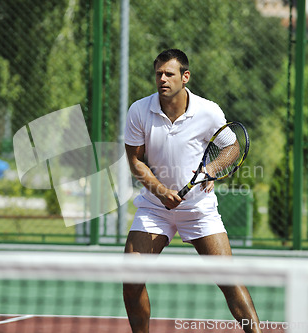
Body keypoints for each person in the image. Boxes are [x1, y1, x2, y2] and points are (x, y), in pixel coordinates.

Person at [123, 49, 262, 333]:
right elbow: (135, 160)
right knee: (131, 278)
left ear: (185, 77)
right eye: (159, 74)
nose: (162, 79)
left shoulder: (208, 111)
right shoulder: (139, 110)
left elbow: (231, 146)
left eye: (169, 74)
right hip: (154, 209)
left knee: (229, 280)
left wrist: (211, 170)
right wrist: (161, 191)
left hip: (199, 210)